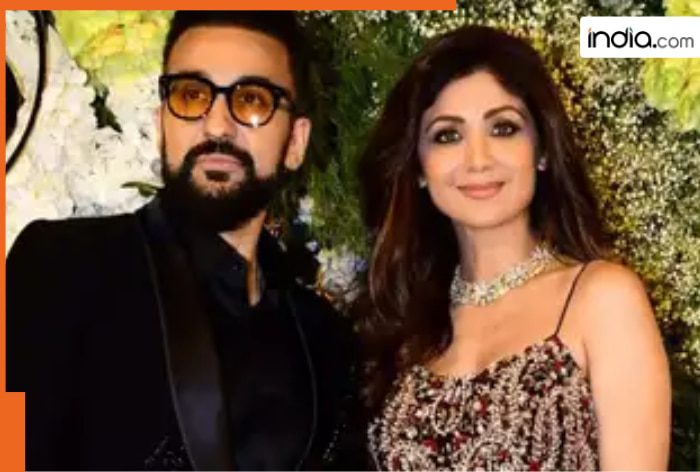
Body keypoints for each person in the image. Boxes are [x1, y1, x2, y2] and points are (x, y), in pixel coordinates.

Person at [7, 11, 363, 471]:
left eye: (251, 100)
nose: (217, 126)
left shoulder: (326, 337)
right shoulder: (60, 267)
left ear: (295, 142)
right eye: (191, 95)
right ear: (162, 122)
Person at [356, 25, 671, 470]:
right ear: (419, 167)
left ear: (542, 151)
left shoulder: (602, 298)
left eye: (503, 128)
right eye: (448, 135)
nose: (478, 160)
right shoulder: (403, 320)